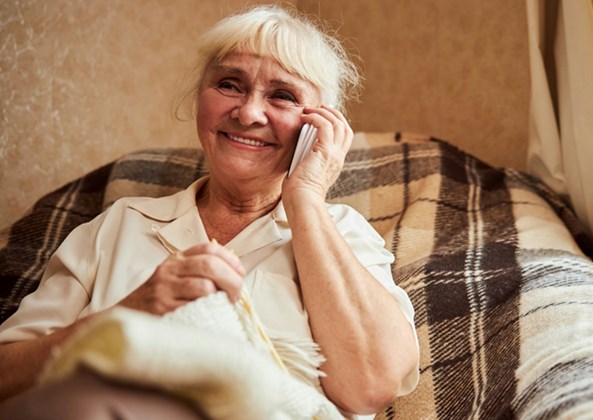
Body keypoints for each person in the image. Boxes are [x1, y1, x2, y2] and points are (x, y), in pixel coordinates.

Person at [0, 4, 419, 418]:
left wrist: (306, 196)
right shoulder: (119, 224)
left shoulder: (343, 233)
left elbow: (371, 386)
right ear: (199, 99)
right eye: (229, 85)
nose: (249, 113)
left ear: (319, 128)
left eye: (282, 95)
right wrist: (126, 315)